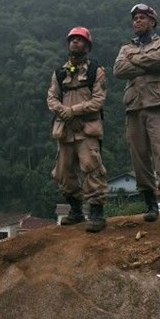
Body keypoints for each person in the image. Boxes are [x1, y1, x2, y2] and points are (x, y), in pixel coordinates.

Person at [113, 3, 160, 226]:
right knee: (139, 158)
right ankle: (150, 205)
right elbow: (119, 70)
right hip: (134, 108)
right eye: (135, 18)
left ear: (152, 21)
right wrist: (147, 64)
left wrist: (136, 61)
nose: (137, 21)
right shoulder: (125, 49)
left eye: (141, 18)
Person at [47, 26, 108, 233]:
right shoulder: (59, 72)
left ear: (87, 46)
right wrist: (65, 113)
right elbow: (51, 98)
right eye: (72, 39)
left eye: (80, 40)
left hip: (86, 128)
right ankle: (75, 211)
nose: (75, 42)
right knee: (64, 171)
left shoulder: (95, 71)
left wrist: (72, 111)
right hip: (65, 130)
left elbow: (98, 101)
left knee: (92, 167)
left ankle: (97, 213)